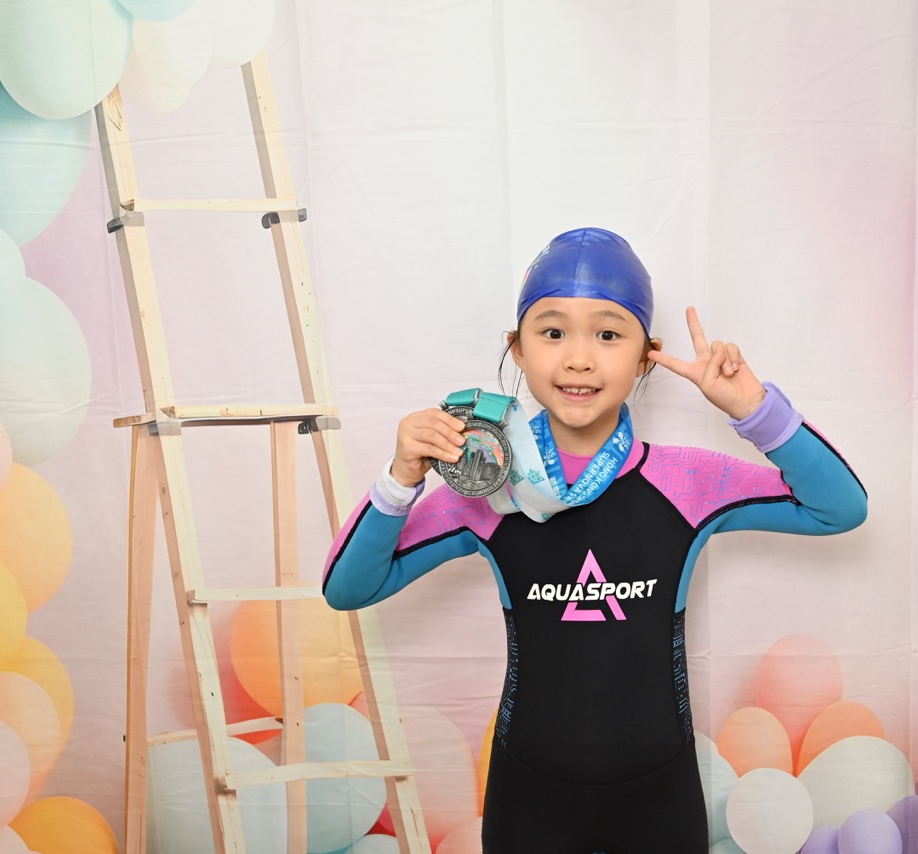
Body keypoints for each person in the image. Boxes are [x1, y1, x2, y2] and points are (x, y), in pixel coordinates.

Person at [323, 227, 867, 853]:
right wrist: (400, 479)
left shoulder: (687, 481)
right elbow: (348, 589)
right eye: (552, 332)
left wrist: (754, 409)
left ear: (646, 357)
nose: (579, 359)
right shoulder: (489, 487)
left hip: (660, 800)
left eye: (608, 335)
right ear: (517, 350)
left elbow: (839, 509)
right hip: (529, 800)